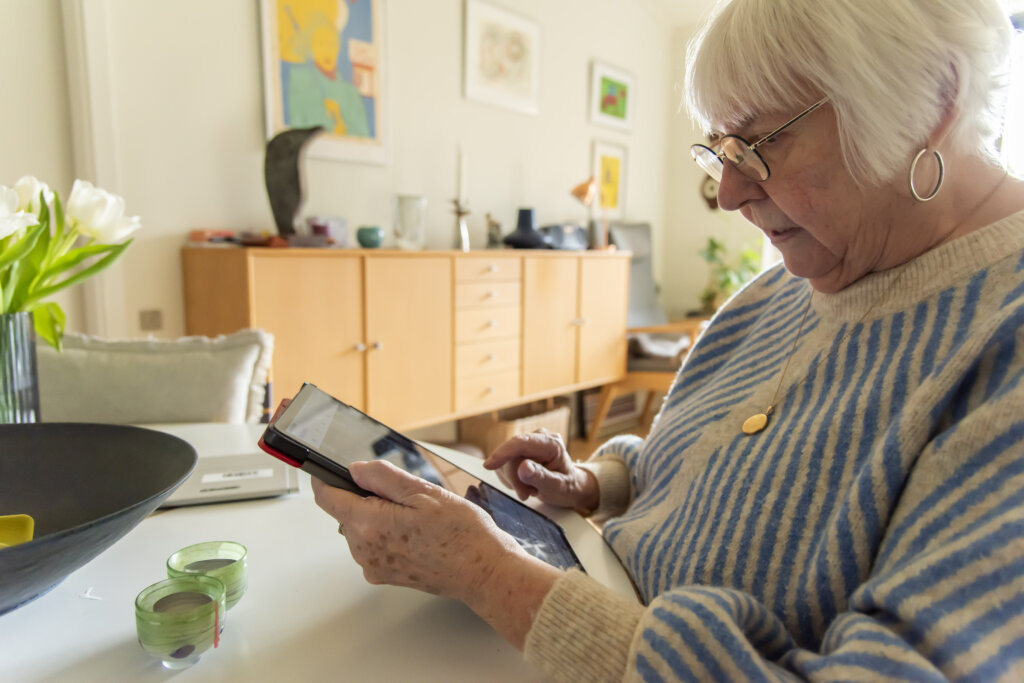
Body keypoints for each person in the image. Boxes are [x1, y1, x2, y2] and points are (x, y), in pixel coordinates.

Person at [309, 0, 1024, 679]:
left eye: (764, 140)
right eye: (721, 149)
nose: (729, 192)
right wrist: (596, 482)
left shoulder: (1004, 339)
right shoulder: (780, 287)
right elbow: (700, 462)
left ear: (931, 100)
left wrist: (489, 574)